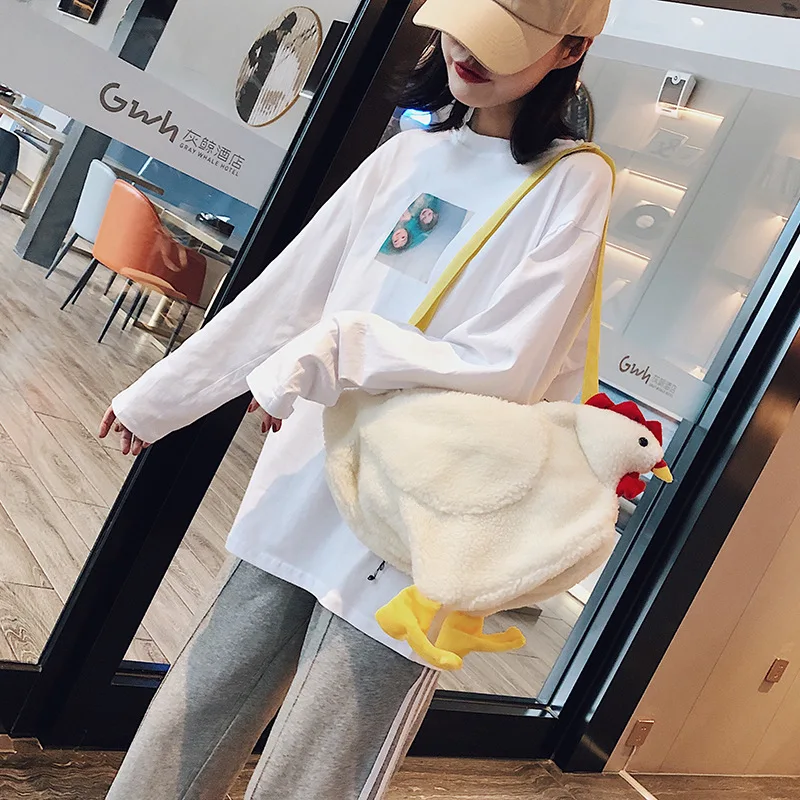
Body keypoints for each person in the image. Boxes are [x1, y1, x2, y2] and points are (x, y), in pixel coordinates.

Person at [101, 0, 613, 797]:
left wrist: (337, 348)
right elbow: (289, 296)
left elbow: (505, 366)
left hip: (427, 519)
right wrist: (162, 397)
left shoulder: (573, 181)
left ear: (570, 50)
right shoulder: (406, 157)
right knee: (194, 715)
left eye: (503, 42)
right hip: (313, 474)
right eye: (463, 25)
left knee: (318, 771)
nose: (466, 52)